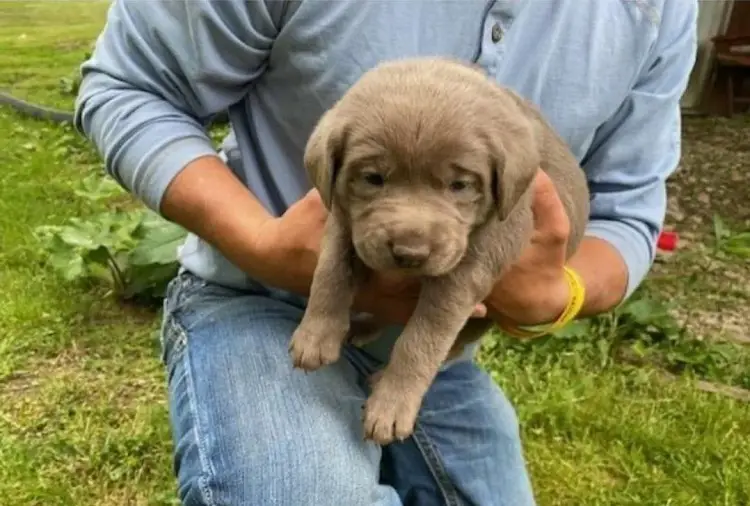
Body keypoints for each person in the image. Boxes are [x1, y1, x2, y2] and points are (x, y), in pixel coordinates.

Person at [74, 0, 697, 504]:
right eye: (373, 180)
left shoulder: (658, 9)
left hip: (430, 344)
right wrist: (263, 244)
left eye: (457, 185)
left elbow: (625, 208)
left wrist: (561, 295)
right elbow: (130, 87)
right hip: (257, 301)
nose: (410, 230)